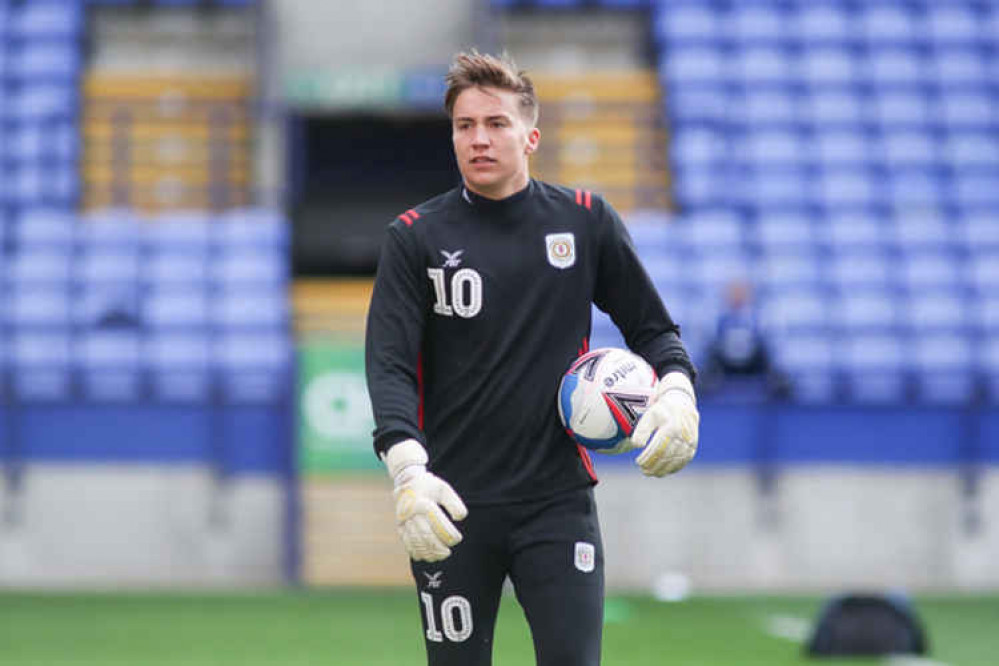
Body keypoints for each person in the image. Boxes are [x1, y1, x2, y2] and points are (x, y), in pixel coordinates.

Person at [365, 50, 699, 666]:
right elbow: (387, 364)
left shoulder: (586, 221)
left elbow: (655, 331)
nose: (479, 139)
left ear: (531, 135)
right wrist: (407, 469)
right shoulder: (414, 237)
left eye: (496, 124)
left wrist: (677, 388)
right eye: (465, 127)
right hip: (450, 507)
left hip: (557, 505)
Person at [701, 279, 789, 400]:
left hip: (753, 361)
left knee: (778, 378)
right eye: (734, 293)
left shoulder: (758, 318)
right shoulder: (717, 318)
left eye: (741, 293)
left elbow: (764, 344)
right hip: (724, 362)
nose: (737, 297)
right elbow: (711, 344)